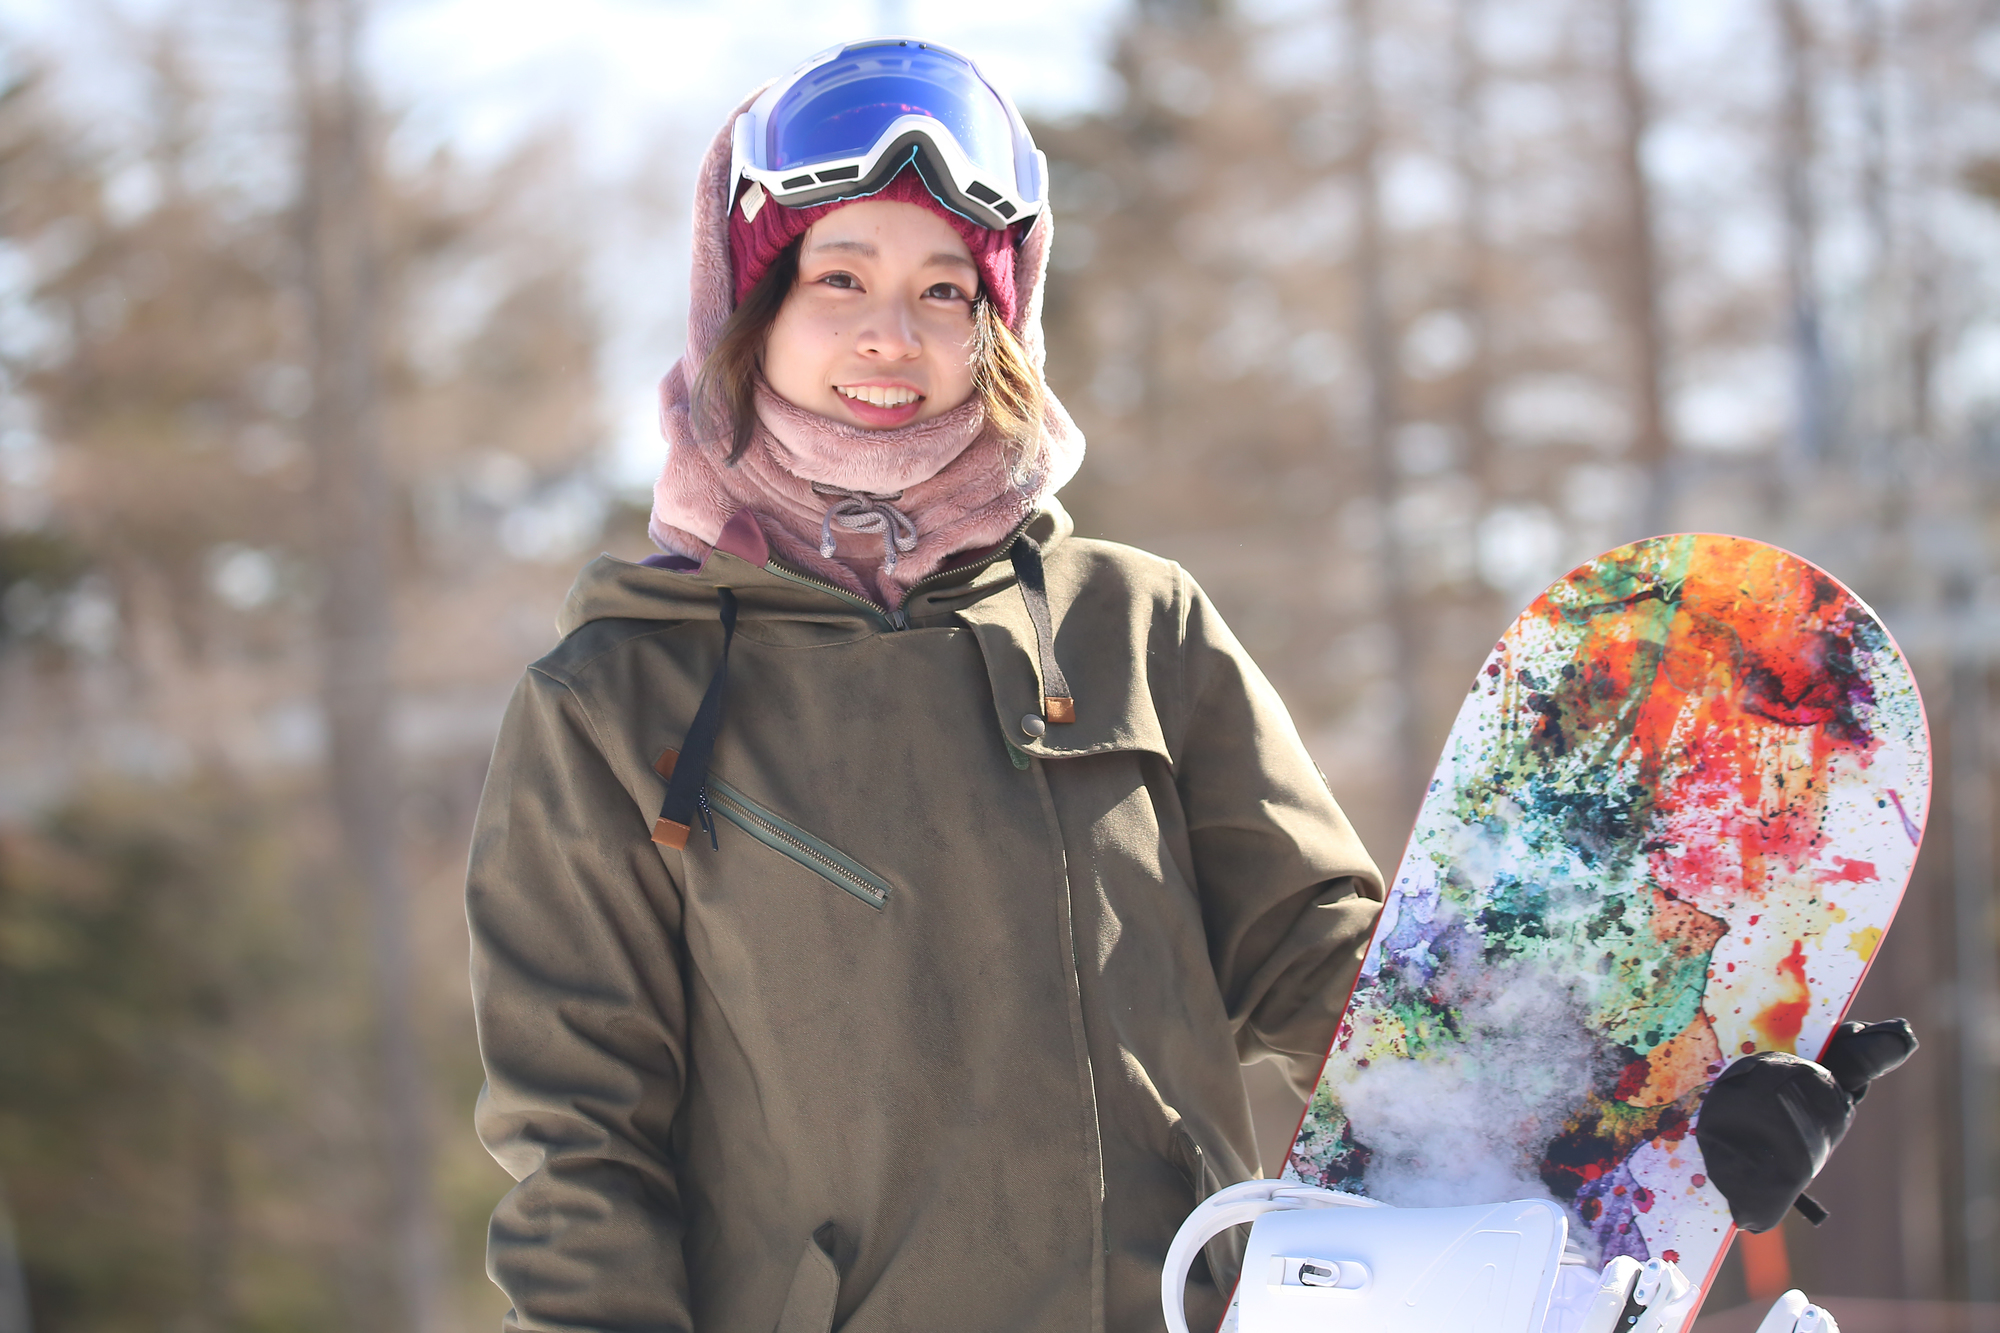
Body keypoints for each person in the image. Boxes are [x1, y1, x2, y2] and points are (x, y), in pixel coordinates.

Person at [465, 38, 1911, 1333]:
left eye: (943, 290)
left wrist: (1663, 1102)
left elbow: (1346, 980)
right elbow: (580, 1134)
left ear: (999, 327)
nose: (888, 338)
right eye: (839, 277)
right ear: (755, 308)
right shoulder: (621, 699)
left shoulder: (1131, 624)